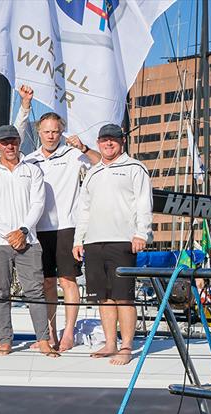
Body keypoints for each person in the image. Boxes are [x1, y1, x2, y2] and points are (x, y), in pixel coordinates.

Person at [18, 87, 101, 352]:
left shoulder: (73, 154)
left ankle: (68, 334)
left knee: (68, 281)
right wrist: (25, 105)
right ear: (39, 133)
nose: (51, 135)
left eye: (55, 131)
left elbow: (101, 164)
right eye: (46, 131)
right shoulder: (29, 160)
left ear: (61, 132)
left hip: (67, 227)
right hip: (39, 229)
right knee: (46, 283)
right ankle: (50, 334)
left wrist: (85, 148)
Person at [73, 123, 152, 366]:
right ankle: (110, 343)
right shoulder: (93, 172)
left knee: (124, 297)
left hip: (123, 241)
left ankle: (126, 346)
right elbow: (83, 209)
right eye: (104, 140)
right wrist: (79, 239)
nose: (108, 143)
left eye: (113, 140)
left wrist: (142, 234)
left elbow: (143, 203)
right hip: (94, 242)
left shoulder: (135, 168)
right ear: (98, 143)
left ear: (122, 142)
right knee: (103, 297)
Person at [0, 125, 57, 357]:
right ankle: (4, 339)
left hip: (29, 240)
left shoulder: (32, 171)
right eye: (4, 142)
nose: (9, 145)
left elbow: (38, 204)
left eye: (13, 141)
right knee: (0, 292)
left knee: (35, 292)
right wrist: (9, 234)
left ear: (19, 142)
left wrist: (22, 231)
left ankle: (43, 339)